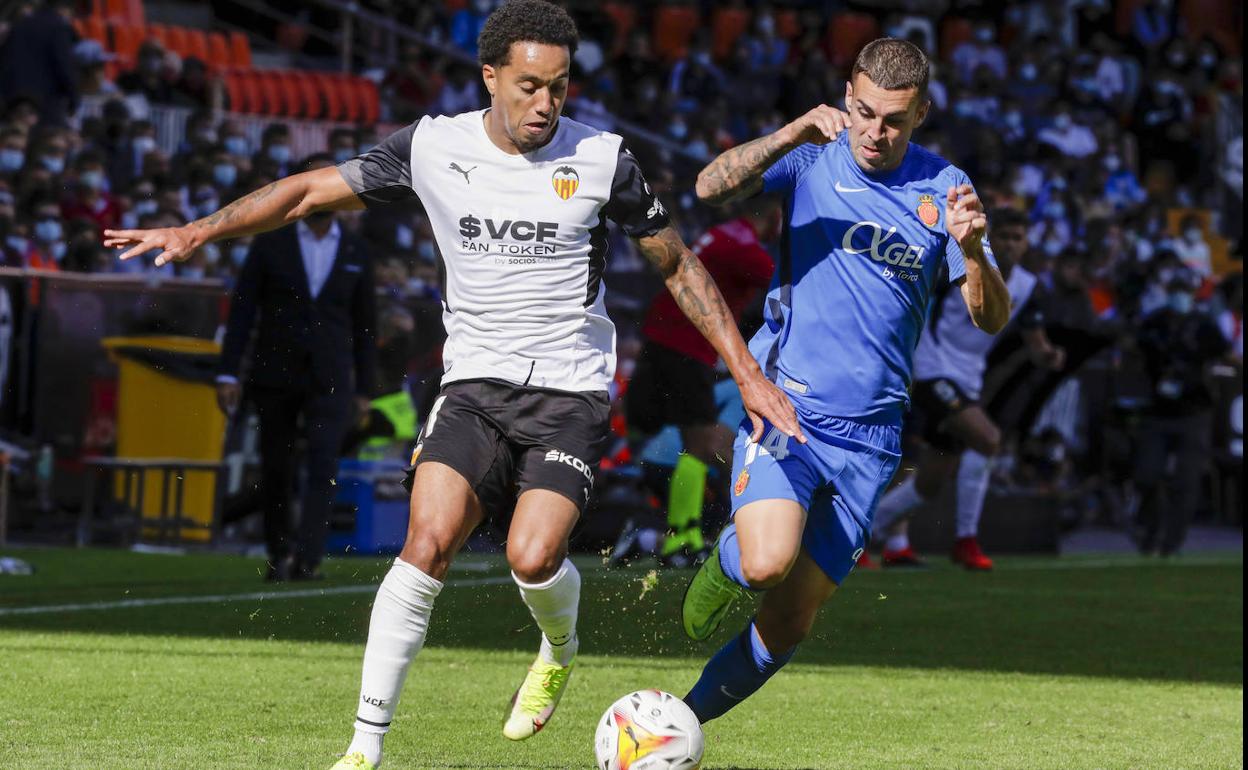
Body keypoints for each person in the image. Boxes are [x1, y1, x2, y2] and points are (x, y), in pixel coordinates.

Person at [102, 2, 799, 767]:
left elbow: (678, 266)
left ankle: (559, 647)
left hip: (568, 394)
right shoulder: (433, 146)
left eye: (559, 88)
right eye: (529, 86)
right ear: (490, 75)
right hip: (471, 385)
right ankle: (363, 751)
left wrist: (747, 372)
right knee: (425, 542)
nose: (545, 104)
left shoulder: (602, 158)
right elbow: (305, 192)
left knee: (532, 558)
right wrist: (197, 229)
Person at [677, 38, 1011, 726]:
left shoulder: (945, 187)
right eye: (862, 112)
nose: (873, 132)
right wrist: (794, 128)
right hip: (788, 408)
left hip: (872, 441)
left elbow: (989, 318)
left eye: (892, 119)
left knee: (790, 620)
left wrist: (974, 252)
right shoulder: (810, 157)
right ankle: (727, 562)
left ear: (921, 111)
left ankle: (677, 724)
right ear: (847, 97)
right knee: (767, 564)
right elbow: (708, 188)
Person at [870, 207, 1066, 570]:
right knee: (988, 439)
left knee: (929, 482)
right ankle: (965, 540)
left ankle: (862, 534)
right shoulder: (959, 265)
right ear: (990, 238)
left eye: (1017, 238)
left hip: (968, 379)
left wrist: (1050, 355)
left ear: (1025, 244)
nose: (1010, 244)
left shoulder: (1026, 286)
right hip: (931, 369)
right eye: (1003, 236)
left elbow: (1036, 344)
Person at [215, 153, 377, 583]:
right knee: (276, 467)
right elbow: (243, 311)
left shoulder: (358, 249)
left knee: (324, 468)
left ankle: (309, 559)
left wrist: (365, 389)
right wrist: (228, 372)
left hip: (331, 378)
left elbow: (365, 326)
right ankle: (277, 553)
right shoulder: (271, 241)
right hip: (275, 375)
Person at [624, 199, 780, 565]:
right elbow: (784, 286)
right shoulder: (745, 248)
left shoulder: (720, 235)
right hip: (689, 348)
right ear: (771, 212)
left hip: (659, 337)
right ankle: (682, 538)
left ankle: (655, 534)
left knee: (654, 435)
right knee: (699, 444)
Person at [1132, 275, 1232, 556]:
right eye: (1176, 289)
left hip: (1195, 410)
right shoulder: (1154, 323)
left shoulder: (1204, 326)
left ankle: (1170, 543)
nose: (1180, 295)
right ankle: (1153, 529)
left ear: (1193, 293)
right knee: (1147, 475)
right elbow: (1135, 351)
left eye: (1185, 290)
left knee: (1186, 481)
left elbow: (1225, 355)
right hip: (1159, 410)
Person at [0, 0, 77, 126]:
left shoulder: (19, 25)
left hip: (16, 99)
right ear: (64, 9)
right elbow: (64, 66)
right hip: (47, 101)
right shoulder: (58, 27)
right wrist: (73, 97)